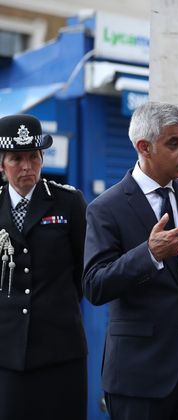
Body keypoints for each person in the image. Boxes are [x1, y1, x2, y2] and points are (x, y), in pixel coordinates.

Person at [83, 102, 178, 420]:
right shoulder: (105, 208)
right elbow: (95, 285)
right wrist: (149, 254)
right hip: (138, 374)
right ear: (144, 147)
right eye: (175, 143)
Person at [0, 114, 87, 419]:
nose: (27, 167)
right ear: (1, 164)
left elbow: (84, 272)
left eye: (33, 157)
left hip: (60, 351)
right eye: (16, 158)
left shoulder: (68, 203)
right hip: (6, 354)